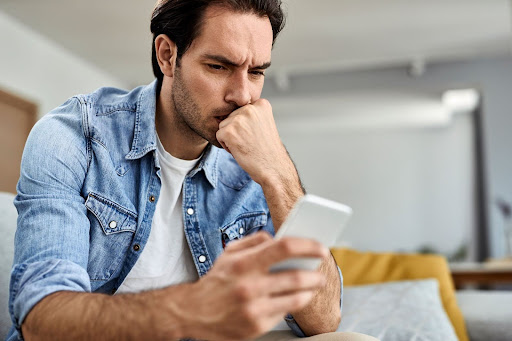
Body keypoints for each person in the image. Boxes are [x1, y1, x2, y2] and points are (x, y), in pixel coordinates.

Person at [7, 1, 350, 340]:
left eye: (257, 72)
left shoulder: (255, 164)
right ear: (167, 55)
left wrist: (279, 175)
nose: (243, 95)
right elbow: (41, 321)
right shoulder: (73, 135)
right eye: (218, 66)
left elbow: (322, 320)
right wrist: (197, 307)